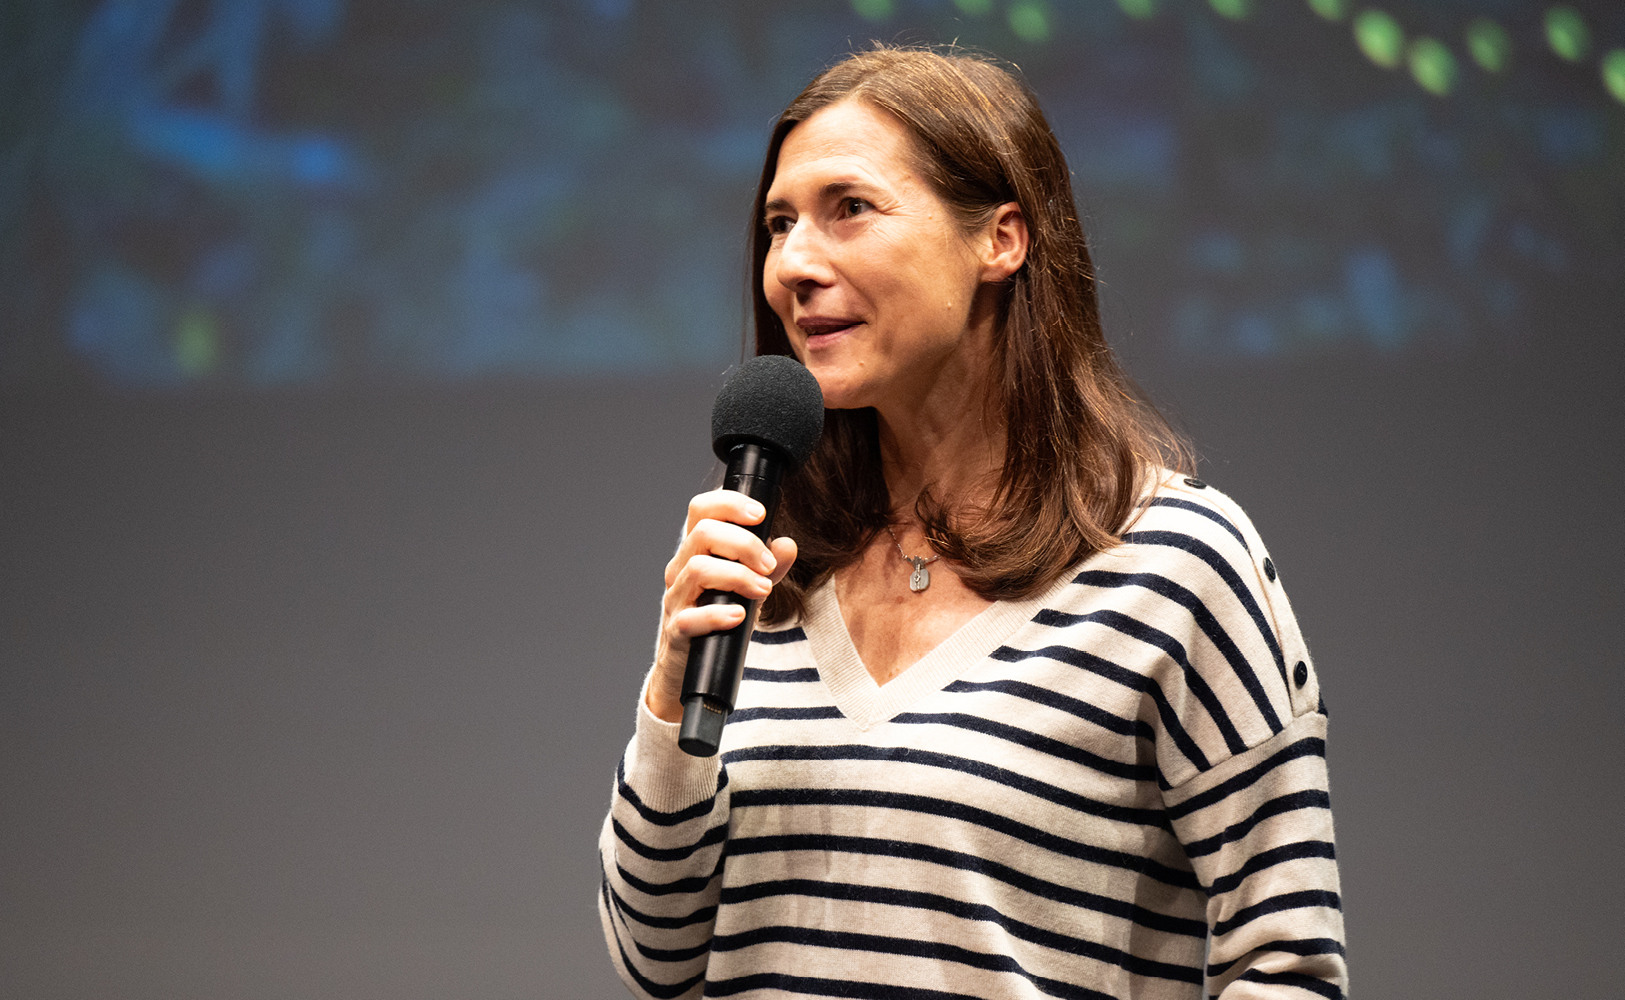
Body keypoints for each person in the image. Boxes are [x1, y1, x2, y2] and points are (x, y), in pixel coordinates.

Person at [598, 46, 1346, 1000]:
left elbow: (1285, 964)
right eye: (779, 224)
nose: (792, 265)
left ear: (1000, 240)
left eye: (848, 208)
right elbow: (658, 959)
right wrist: (671, 698)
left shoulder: (1175, 563)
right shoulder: (766, 568)